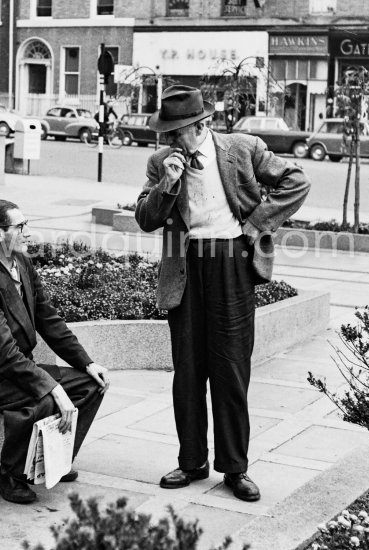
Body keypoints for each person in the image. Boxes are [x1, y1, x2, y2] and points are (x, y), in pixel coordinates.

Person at [134, 85, 310, 502]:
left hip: (233, 260)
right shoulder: (161, 163)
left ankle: (235, 468)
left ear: (203, 125)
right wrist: (169, 184)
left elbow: (296, 181)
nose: (171, 140)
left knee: (231, 369)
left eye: (178, 132)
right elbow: (145, 217)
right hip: (187, 266)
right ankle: (191, 461)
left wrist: (257, 224)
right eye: (168, 133)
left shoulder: (242, 148)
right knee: (189, 370)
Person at [0, 199, 109, 504]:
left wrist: (87, 364)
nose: (27, 233)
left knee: (92, 385)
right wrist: (54, 389)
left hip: (16, 368)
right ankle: (9, 476)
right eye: (20, 226)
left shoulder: (22, 263)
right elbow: (4, 355)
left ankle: (56, 461)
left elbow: (49, 320)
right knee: (44, 397)